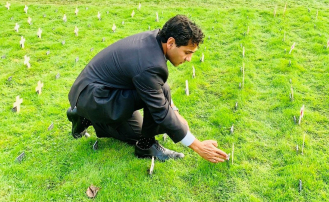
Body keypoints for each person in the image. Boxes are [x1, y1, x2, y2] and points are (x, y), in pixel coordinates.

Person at [67, 15, 228, 163]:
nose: (189, 59)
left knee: (137, 129)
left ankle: (83, 115)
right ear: (171, 43)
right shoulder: (150, 65)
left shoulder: (155, 40)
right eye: (187, 52)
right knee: (160, 95)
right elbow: (160, 110)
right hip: (96, 98)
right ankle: (86, 116)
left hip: (99, 92)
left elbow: (156, 90)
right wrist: (198, 146)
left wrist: (175, 112)